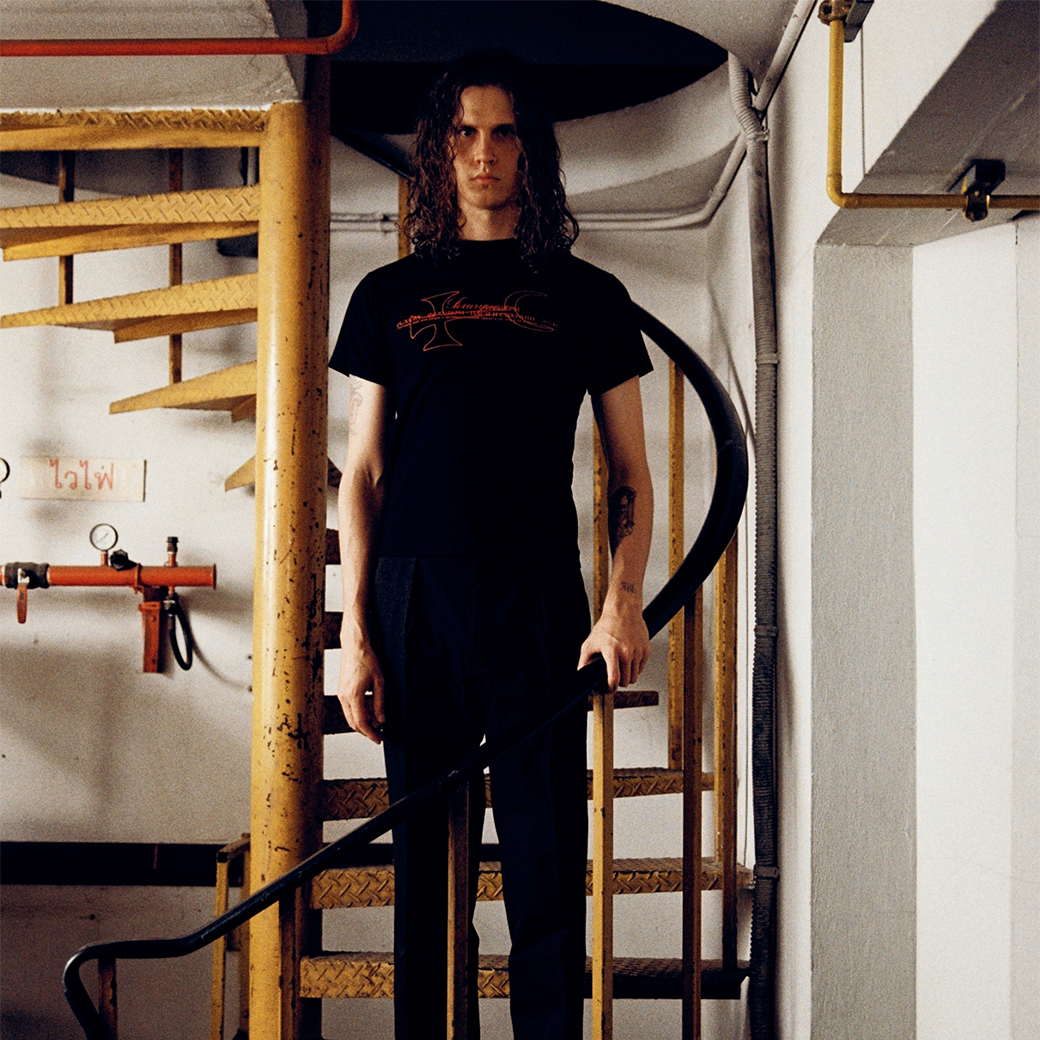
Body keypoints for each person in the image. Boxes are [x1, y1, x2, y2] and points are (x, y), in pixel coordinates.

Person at [330, 51, 653, 1040]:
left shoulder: (588, 295)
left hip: (536, 597)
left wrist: (622, 598)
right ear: (439, 150)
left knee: (546, 866)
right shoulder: (386, 294)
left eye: (502, 131)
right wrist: (354, 629)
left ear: (528, 149)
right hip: (413, 600)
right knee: (427, 872)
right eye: (464, 132)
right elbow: (362, 473)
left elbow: (629, 471)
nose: (482, 152)